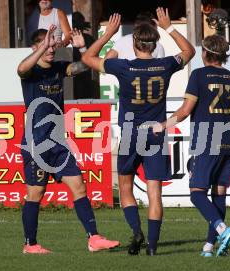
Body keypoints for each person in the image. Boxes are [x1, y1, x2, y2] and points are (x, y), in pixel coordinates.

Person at [82, 8, 195, 256]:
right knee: (155, 193)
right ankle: (152, 247)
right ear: (154, 45)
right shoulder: (164, 65)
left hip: (130, 134)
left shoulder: (124, 67)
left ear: (134, 43)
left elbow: (87, 58)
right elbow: (189, 51)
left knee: (125, 186)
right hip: (155, 134)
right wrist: (170, 27)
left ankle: (136, 231)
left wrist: (108, 34)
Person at [17, 25, 119, 254]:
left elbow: (85, 63)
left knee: (79, 186)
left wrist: (103, 39)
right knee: (35, 194)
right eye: (47, 43)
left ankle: (94, 238)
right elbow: (21, 69)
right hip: (37, 144)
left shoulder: (59, 69)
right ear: (36, 47)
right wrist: (42, 47)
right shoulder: (31, 73)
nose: (52, 47)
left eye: (53, 43)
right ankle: (30, 244)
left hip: (57, 143)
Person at [153, 35, 230, 257]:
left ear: (205, 53)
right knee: (219, 195)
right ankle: (209, 248)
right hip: (228, 144)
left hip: (206, 142)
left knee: (197, 193)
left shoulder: (198, 75)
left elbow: (185, 110)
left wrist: (163, 125)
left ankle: (222, 229)